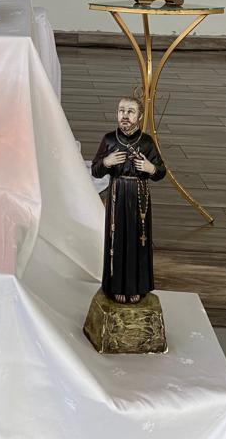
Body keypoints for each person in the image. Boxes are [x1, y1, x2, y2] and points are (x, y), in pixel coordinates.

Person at [90, 97, 166, 304]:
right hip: (117, 194)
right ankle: (116, 285)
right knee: (116, 239)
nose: (125, 115)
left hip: (139, 195)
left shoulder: (146, 142)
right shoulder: (110, 140)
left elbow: (161, 172)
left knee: (138, 240)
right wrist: (107, 162)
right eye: (121, 110)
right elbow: (95, 171)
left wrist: (150, 168)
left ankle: (137, 286)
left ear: (139, 117)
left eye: (130, 111)